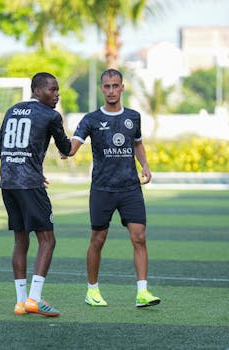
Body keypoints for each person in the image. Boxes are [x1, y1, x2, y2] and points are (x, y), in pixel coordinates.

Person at [66, 68, 160, 308]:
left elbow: (137, 143)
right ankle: (92, 290)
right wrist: (62, 146)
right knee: (98, 239)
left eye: (115, 86)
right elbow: (72, 147)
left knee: (139, 237)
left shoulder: (133, 117)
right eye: (106, 86)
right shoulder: (91, 119)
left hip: (130, 188)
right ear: (101, 89)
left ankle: (142, 292)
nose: (111, 91)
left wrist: (145, 165)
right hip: (102, 189)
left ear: (122, 88)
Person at [0, 72, 72, 317]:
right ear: (37, 91)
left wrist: (20, 166)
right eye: (52, 89)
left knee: (21, 240)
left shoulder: (12, 110)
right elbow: (67, 148)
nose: (56, 94)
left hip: (8, 182)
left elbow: (0, 149)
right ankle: (35, 299)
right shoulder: (51, 115)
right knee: (48, 240)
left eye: (57, 90)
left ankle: (20, 302)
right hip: (29, 185)